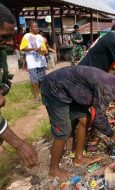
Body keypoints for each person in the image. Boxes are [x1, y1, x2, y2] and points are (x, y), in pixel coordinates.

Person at [41, 65, 115, 180]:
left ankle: (78, 158)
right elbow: (98, 117)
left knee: (84, 119)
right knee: (63, 131)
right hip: (54, 88)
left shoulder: (112, 82)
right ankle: (53, 170)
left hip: (67, 88)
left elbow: (96, 112)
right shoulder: (107, 87)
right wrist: (113, 136)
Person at [0, 3, 38, 168]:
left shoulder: (1, 55)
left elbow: (6, 79)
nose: (10, 43)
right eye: (4, 37)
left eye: (11, 36)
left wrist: (2, 90)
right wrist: (19, 144)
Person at [20, 21, 47, 101]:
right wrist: (32, 49)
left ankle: (41, 93)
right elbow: (22, 48)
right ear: (30, 28)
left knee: (41, 80)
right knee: (34, 79)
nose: (37, 28)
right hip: (32, 61)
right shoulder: (26, 36)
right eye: (34, 27)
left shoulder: (40, 37)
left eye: (37, 26)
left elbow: (44, 50)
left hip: (41, 61)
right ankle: (36, 96)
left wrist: (41, 50)